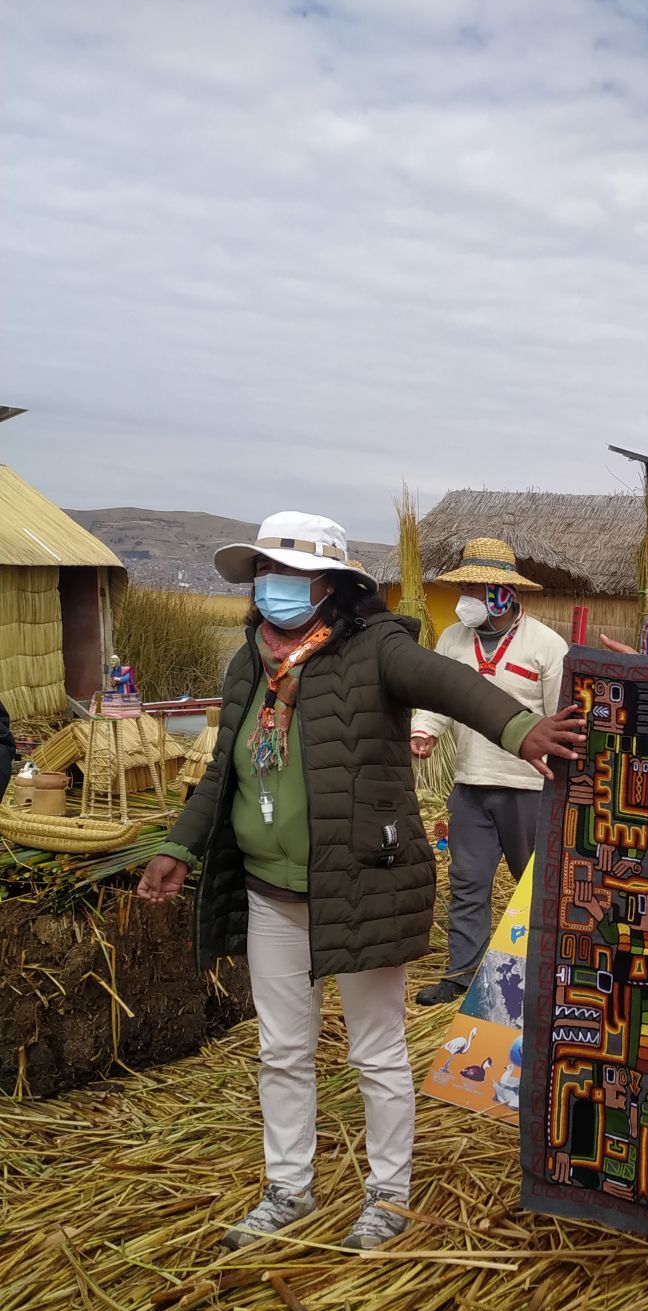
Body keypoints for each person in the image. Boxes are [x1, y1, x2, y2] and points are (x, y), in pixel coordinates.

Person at [137, 511, 585, 1253]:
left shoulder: (376, 648)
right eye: (264, 571)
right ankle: (288, 1188)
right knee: (282, 1049)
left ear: (332, 585)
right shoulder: (250, 662)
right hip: (270, 893)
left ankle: (387, 1197)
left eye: (290, 573)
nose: (272, 585)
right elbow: (224, 768)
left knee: (375, 1050)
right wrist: (180, 845)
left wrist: (518, 729)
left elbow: (449, 683)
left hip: (360, 886)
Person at [409, 539, 567, 1006]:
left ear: (505, 593)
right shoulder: (452, 640)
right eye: (465, 588)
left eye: (478, 589)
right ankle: (461, 976)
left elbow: (560, 718)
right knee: (467, 882)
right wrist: (425, 728)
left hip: (528, 788)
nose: (468, 599)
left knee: (535, 887)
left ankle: (546, 973)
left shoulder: (546, 646)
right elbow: (438, 695)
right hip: (470, 786)